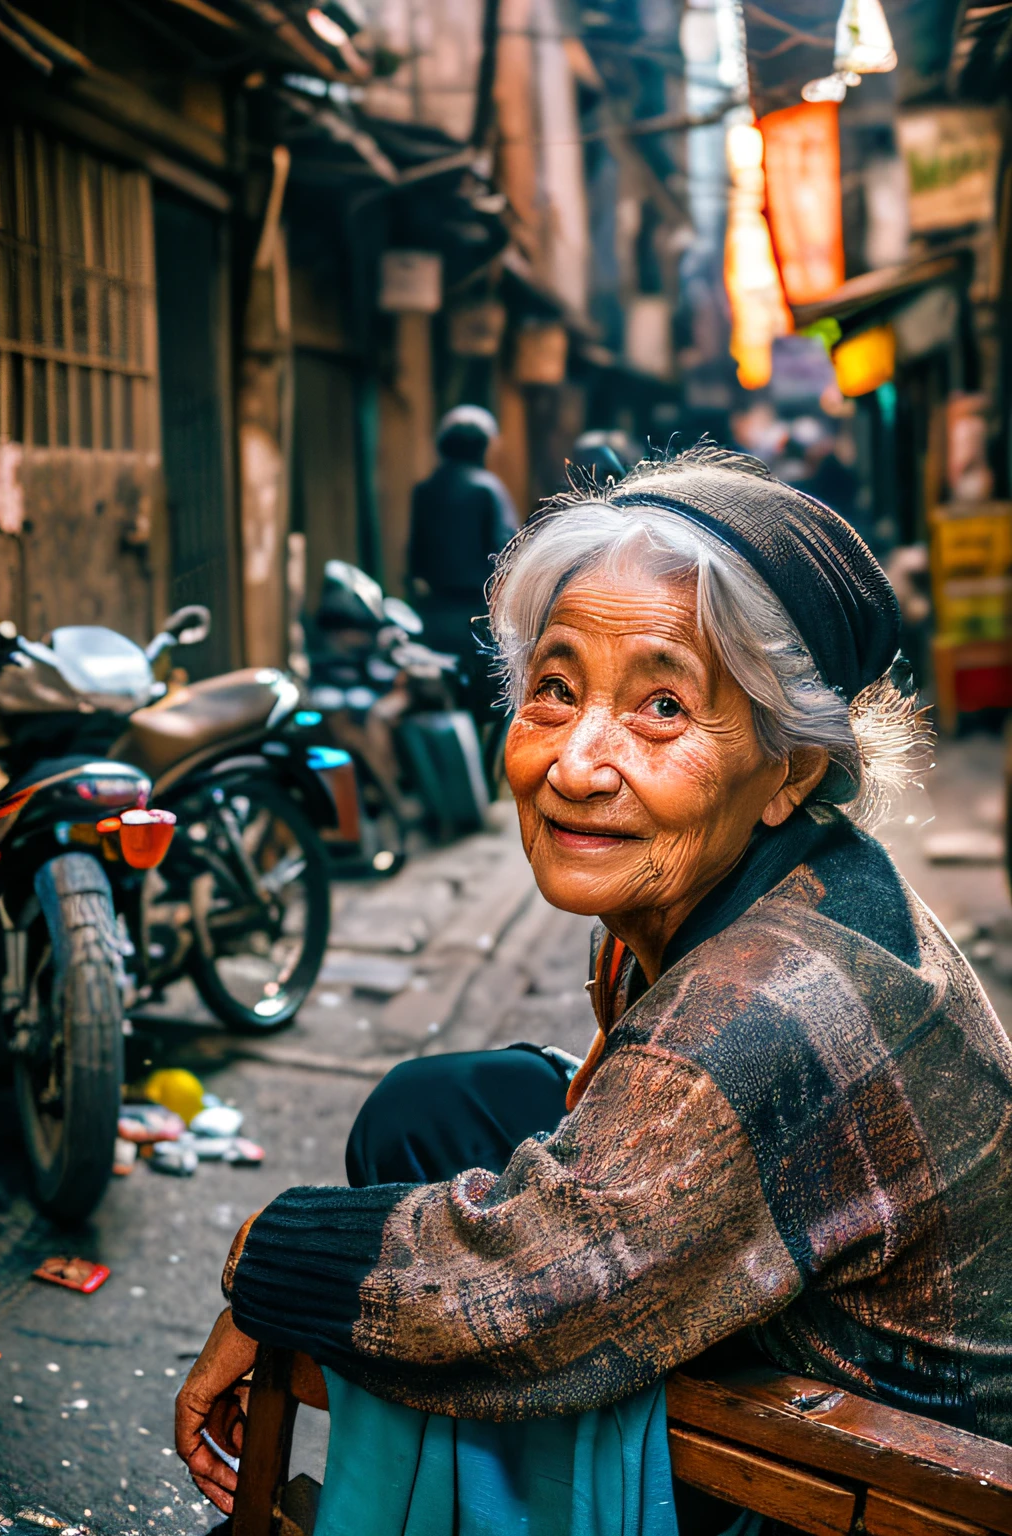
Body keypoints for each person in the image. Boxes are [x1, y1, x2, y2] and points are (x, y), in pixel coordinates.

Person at [176, 445, 1012, 1534]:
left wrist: (269, 1262)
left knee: (425, 1269)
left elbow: (514, 1293)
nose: (576, 762)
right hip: (790, 1333)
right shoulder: (716, 892)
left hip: (868, 1487)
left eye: (663, 707)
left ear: (790, 768)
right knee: (434, 1113)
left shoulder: (763, 1009)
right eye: (555, 690)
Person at [407, 405, 519, 718]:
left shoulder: (425, 490)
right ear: (483, 445)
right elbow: (506, 552)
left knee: (441, 697)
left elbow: (415, 556)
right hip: (477, 615)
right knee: (484, 704)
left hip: (432, 613)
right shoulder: (487, 488)